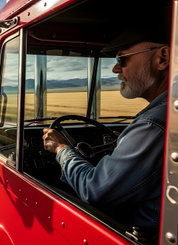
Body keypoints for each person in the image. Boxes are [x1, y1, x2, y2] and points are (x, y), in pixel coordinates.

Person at [42, 29, 170, 240]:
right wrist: (125, 141)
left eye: (122, 59)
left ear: (162, 58)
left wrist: (61, 149)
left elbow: (94, 190)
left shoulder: (154, 124)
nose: (115, 68)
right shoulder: (162, 117)